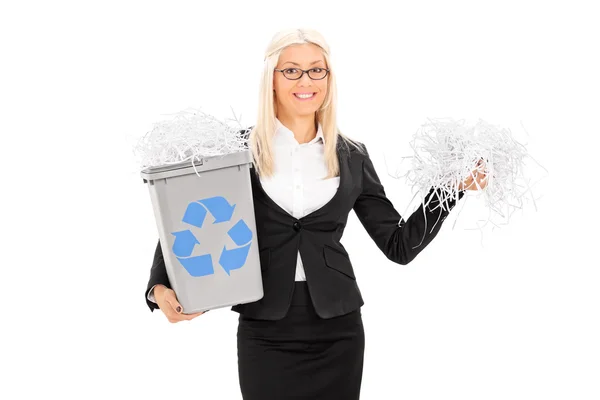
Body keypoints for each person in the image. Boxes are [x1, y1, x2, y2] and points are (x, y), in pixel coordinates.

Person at [145, 28, 488, 400]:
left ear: (328, 79)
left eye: (316, 70)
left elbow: (399, 245)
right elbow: (188, 217)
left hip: (337, 329)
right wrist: (159, 286)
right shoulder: (235, 151)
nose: (305, 80)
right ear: (271, 79)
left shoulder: (352, 155)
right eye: (291, 70)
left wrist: (450, 188)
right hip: (265, 328)